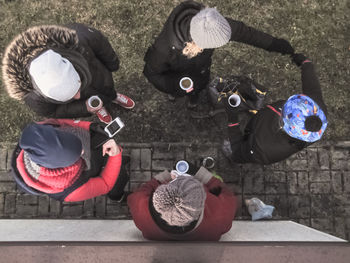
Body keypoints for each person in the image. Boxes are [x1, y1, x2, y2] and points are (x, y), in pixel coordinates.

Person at [143, 0, 294, 108]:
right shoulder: (164, 49)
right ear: (196, 43)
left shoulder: (213, 24)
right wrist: (174, 85)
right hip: (176, 77)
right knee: (180, 90)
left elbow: (245, 33)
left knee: (198, 87)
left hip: (200, 71)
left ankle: (193, 98)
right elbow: (152, 74)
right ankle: (176, 94)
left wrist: (274, 44)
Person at [2, 23, 135, 121]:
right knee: (97, 100)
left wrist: (113, 65)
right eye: (68, 97)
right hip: (91, 95)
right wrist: (85, 107)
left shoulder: (78, 38)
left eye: (76, 85)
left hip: (101, 78)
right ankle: (100, 108)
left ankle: (113, 96)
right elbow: (54, 112)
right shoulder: (33, 99)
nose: (77, 96)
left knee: (108, 90)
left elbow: (102, 46)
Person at [221, 53, 328, 165]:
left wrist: (232, 118)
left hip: (253, 142)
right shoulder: (317, 111)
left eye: (284, 111)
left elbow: (238, 150)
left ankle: (233, 160)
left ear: (286, 126)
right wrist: (306, 64)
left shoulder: (265, 150)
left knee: (239, 154)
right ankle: (254, 116)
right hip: (263, 121)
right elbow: (313, 88)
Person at [10, 119, 129, 202]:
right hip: (96, 170)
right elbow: (105, 184)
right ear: (56, 166)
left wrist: (89, 126)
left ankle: (117, 163)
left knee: (114, 164)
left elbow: (61, 122)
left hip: (97, 153)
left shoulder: (42, 133)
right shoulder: (69, 191)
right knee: (120, 178)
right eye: (77, 155)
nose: (83, 151)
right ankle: (117, 197)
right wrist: (115, 156)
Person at [128, 163, 237, 241]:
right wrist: (202, 175)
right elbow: (225, 192)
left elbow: (142, 190)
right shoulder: (219, 216)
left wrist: (165, 177)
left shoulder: (140, 209)